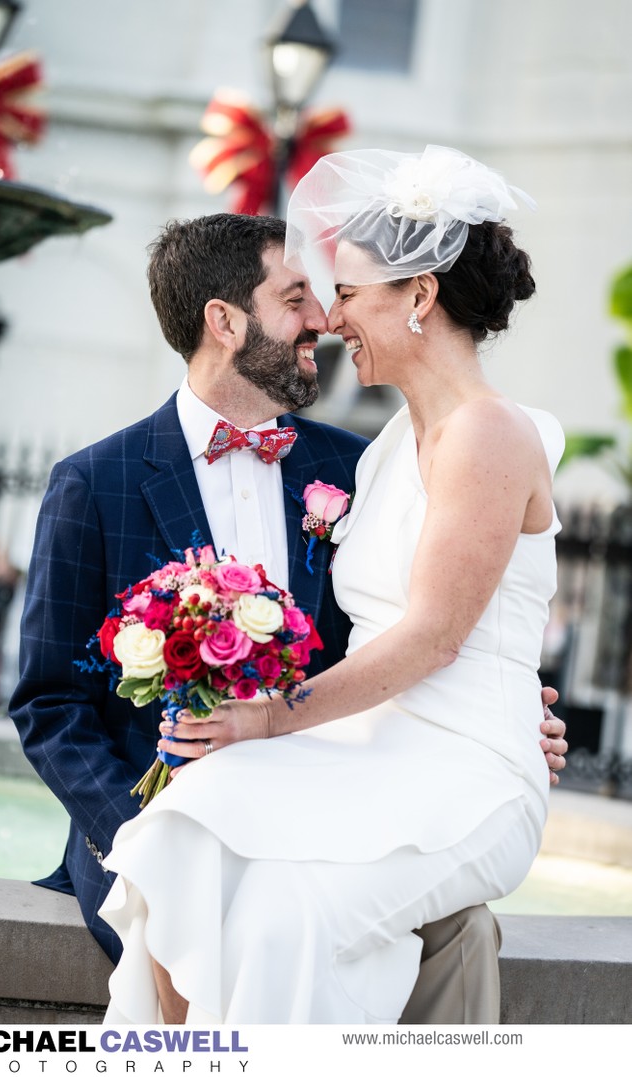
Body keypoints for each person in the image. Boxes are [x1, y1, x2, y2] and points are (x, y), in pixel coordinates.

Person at [96, 146, 567, 1025]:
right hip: (366, 750)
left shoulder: (489, 433)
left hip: (464, 769)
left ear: (418, 295)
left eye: (348, 294)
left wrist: (270, 717)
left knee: (283, 921)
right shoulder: (383, 448)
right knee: (181, 829)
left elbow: (433, 636)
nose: (329, 318)